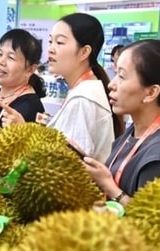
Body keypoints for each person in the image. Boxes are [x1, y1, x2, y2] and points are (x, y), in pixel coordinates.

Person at [84, 39, 160, 206]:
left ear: (151, 92)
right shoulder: (136, 130)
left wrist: (110, 187)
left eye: (121, 76)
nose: (111, 84)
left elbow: (156, 225)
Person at [45, 13, 123, 163]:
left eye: (60, 42)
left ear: (84, 52)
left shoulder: (82, 99)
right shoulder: (84, 90)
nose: (50, 49)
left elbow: (69, 168)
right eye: (50, 41)